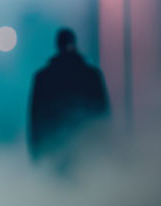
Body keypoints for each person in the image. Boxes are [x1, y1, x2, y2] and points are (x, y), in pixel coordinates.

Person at [28, 28, 108, 161]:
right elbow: (102, 113)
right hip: (87, 148)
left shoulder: (43, 77)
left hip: (53, 149)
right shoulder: (92, 76)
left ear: (57, 45)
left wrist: (36, 153)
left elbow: (35, 119)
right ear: (75, 43)